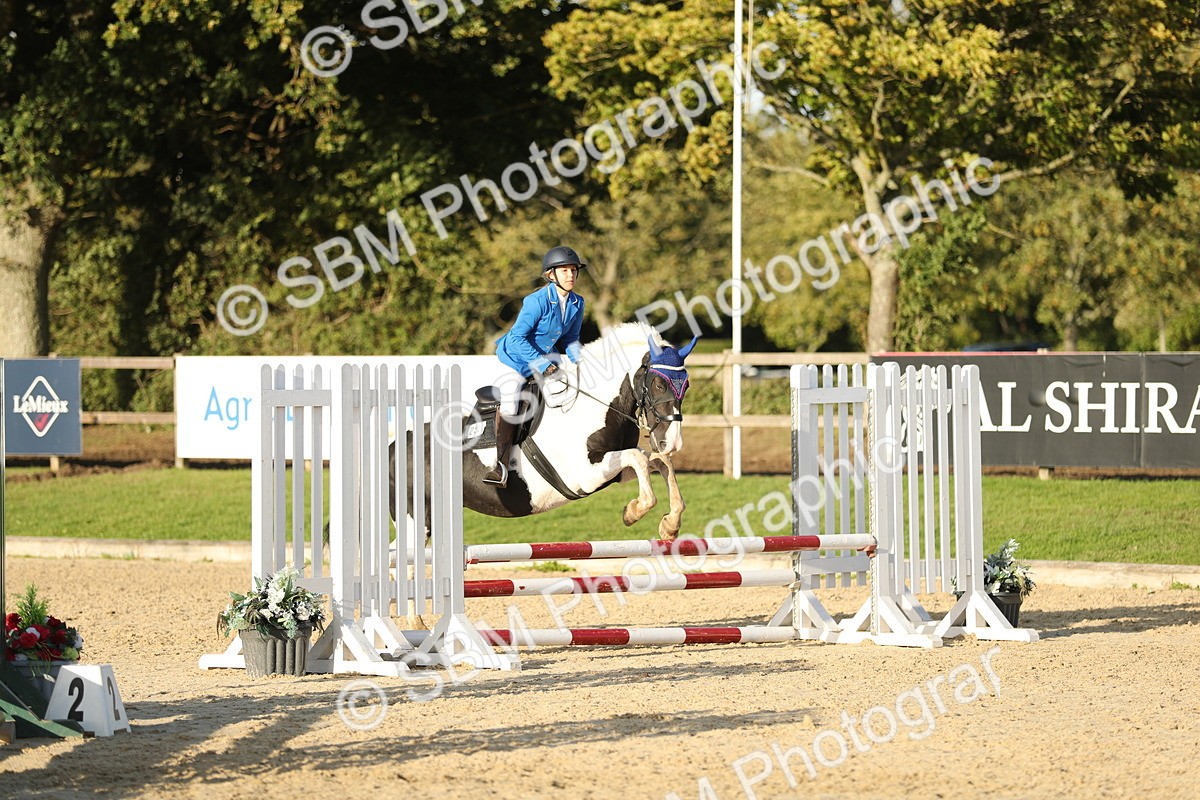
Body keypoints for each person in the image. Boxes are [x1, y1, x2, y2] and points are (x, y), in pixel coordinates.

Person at [485, 246, 587, 486]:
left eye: (573, 270)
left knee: (567, 393)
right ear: (551, 275)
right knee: (510, 400)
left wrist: (580, 362)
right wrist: (542, 364)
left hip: (545, 359)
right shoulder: (536, 301)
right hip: (515, 358)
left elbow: (571, 339)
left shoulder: (577, 302)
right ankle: (499, 464)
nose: (571, 275)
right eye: (565, 271)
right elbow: (518, 338)